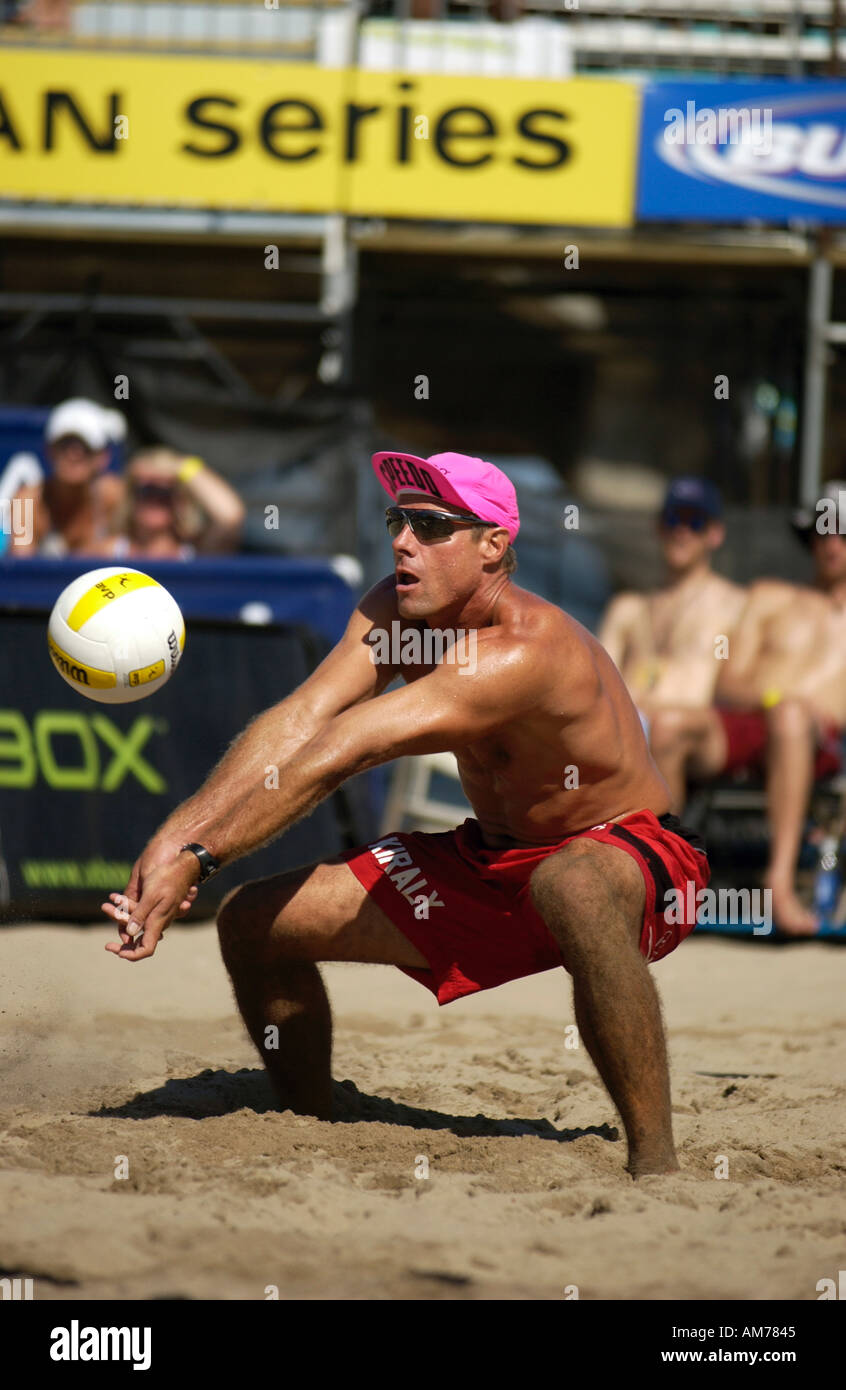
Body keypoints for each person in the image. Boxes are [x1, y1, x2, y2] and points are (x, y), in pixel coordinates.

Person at [101, 450, 710, 1179]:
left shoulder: (523, 650)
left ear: (494, 547)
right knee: (252, 925)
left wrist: (201, 858)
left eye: (432, 525)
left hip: (626, 855)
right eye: (398, 520)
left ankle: (657, 1164)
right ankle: (309, 1122)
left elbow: (342, 751)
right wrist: (174, 839)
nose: (403, 541)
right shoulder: (396, 607)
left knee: (567, 885)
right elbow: (301, 719)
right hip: (488, 860)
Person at [644, 481, 846, 936]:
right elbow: (729, 679)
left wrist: (793, 708)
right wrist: (776, 700)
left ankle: (778, 880)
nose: (832, 542)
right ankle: (669, 878)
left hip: (819, 738)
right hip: (753, 724)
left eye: (843, 532)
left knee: (792, 717)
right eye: (824, 530)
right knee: (671, 724)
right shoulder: (771, 596)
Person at [599, 478, 746, 741]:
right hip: (627, 734)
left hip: (688, 737)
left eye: (695, 521)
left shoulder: (734, 605)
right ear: (659, 527)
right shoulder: (628, 608)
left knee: (667, 730)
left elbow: (738, 689)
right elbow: (599, 683)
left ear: (715, 534)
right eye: (673, 518)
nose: (681, 530)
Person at [8, 398, 126, 556]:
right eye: (64, 444)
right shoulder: (24, 502)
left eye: (85, 447)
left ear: (102, 457)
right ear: (49, 451)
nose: (73, 454)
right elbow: (20, 565)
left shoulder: (118, 497)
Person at [99, 447, 245, 559]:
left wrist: (180, 467)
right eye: (145, 490)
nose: (154, 499)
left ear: (181, 501)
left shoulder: (197, 551)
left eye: (164, 492)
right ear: (131, 498)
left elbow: (230, 515)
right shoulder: (109, 551)